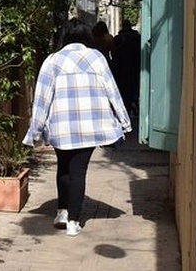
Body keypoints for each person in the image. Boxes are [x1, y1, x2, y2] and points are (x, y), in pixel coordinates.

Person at [22, 18, 132, 236]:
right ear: (86, 37)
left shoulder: (53, 61)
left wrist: (34, 131)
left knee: (63, 168)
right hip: (90, 128)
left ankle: (62, 211)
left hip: (61, 127)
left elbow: (42, 98)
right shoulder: (97, 58)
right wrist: (125, 122)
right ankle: (73, 221)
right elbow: (113, 91)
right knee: (78, 172)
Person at [112, 20, 141, 116]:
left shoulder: (117, 39)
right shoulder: (137, 37)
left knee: (123, 91)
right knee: (134, 89)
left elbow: (114, 53)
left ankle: (126, 108)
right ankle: (133, 104)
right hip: (134, 67)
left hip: (120, 70)